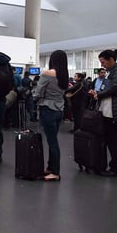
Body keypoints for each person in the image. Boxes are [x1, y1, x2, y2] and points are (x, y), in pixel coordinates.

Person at [88, 49, 117, 177]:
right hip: (108, 111)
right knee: (110, 139)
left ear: (111, 60)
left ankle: (115, 167)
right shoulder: (112, 72)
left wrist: (98, 95)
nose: (102, 65)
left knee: (112, 140)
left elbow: (114, 89)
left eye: (103, 62)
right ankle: (112, 165)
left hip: (113, 112)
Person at [33, 50, 69, 181]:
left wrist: (34, 99)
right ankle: (50, 167)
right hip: (59, 109)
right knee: (53, 139)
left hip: (47, 109)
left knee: (52, 141)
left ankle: (55, 172)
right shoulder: (64, 75)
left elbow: (38, 92)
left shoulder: (47, 73)